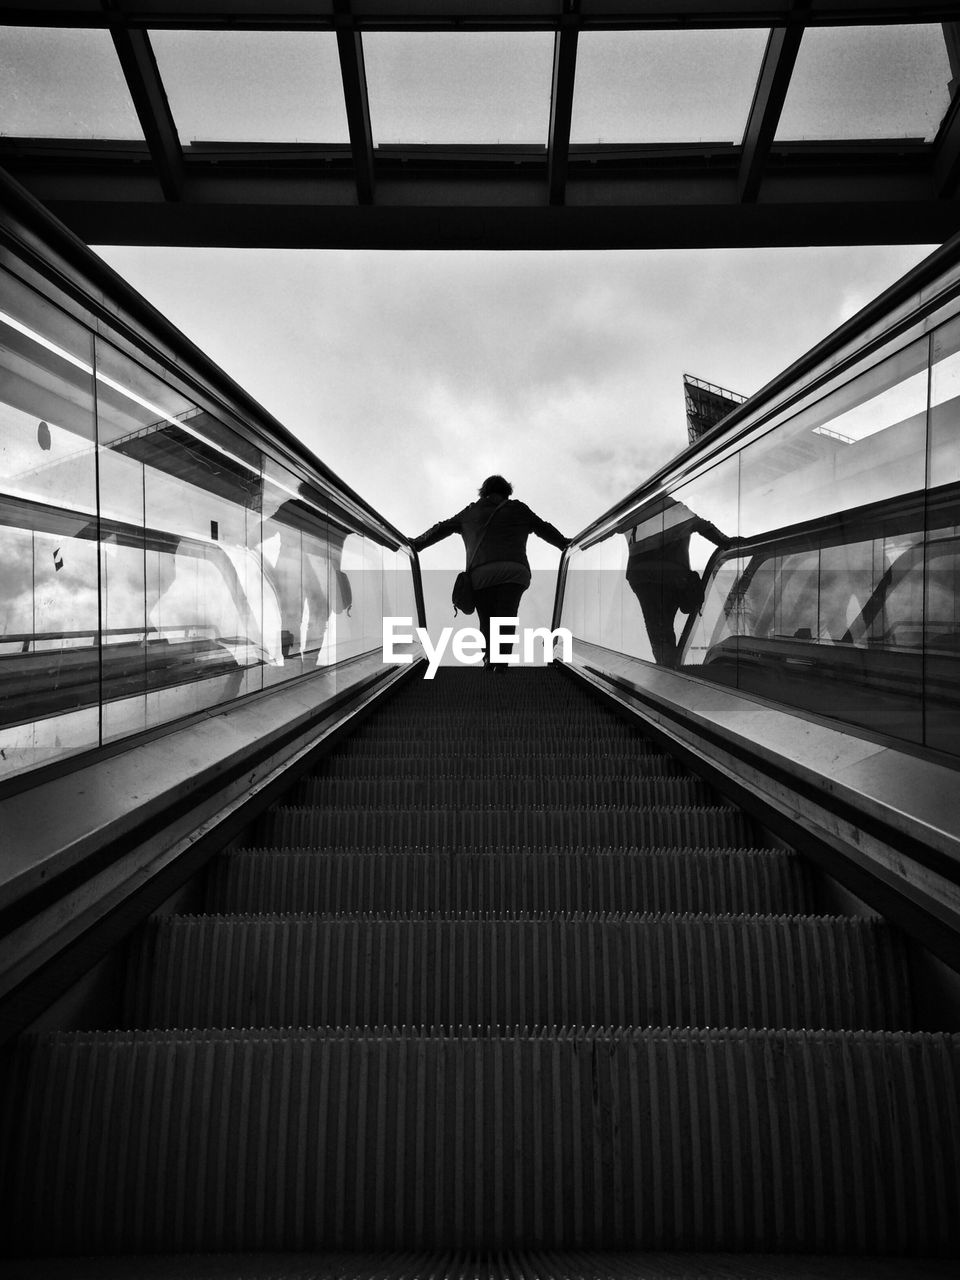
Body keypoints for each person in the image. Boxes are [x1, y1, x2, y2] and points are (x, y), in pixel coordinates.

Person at [412, 475, 568, 667]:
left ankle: (489, 659)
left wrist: (417, 544)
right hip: (514, 571)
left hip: (482, 573)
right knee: (507, 616)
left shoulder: (471, 511)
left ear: (483, 491)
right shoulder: (518, 508)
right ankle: (501, 662)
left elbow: (441, 528)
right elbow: (544, 528)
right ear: (507, 492)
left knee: (486, 619)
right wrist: (565, 545)